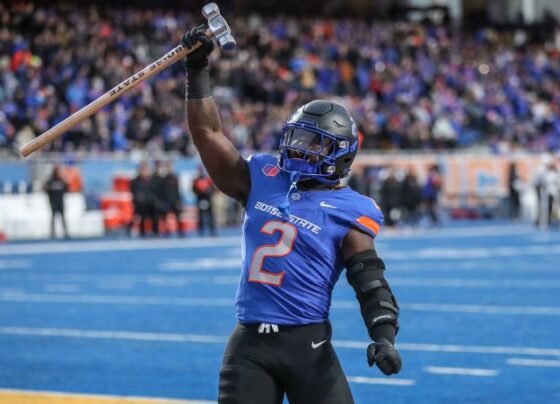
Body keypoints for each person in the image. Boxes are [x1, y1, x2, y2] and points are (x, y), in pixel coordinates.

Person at [181, 25, 402, 404]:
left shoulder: (350, 209)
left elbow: (370, 281)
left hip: (308, 345)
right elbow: (207, 132)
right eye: (298, 137)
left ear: (341, 156)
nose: (300, 148)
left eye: (314, 143)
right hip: (249, 346)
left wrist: (383, 336)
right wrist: (197, 69)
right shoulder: (262, 178)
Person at [154, 160, 185, 237]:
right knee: (164, 218)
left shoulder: (175, 178)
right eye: (168, 167)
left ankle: (180, 232)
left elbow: (177, 190)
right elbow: (161, 191)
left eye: (171, 167)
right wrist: (161, 201)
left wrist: (179, 201)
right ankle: (165, 232)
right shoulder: (163, 179)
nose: (170, 169)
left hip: (174, 201)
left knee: (178, 217)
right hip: (166, 201)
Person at [130, 161, 158, 237]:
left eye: (145, 169)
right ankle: (142, 233)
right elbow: (133, 192)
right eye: (142, 169)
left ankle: (155, 232)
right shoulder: (135, 181)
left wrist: (155, 199)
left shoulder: (153, 180)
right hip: (140, 204)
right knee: (141, 217)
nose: (144, 171)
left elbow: (157, 191)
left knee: (155, 216)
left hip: (151, 203)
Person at [44, 165, 69, 239]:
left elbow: (66, 189)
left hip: (60, 202)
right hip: (53, 203)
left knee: (63, 218)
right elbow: (46, 190)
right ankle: (52, 233)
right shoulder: (50, 182)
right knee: (53, 218)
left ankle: (65, 233)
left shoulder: (62, 181)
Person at [192, 165, 216, 236]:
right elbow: (194, 189)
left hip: (208, 199)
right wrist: (200, 193)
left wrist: (208, 192)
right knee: (200, 216)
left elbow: (212, 188)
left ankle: (212, 230)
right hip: (200, 199)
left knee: (210, 215)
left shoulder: (208, 179)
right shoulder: (196, 180)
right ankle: (201, 231)